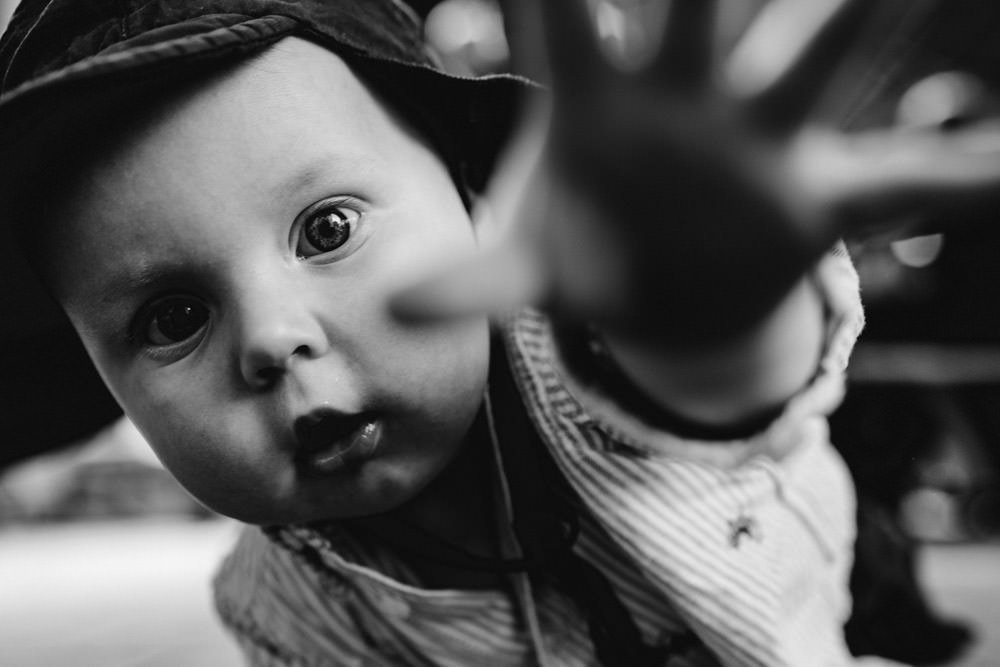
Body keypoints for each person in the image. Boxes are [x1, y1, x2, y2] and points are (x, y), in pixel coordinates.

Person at [2, 0, 998, 665]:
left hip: (835, 598)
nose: (272, 339)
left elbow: (705, 389)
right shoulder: (281, 613)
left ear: (468, 196)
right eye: (171, 317)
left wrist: (705, 299)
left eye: (328, 228)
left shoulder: (583, 350)